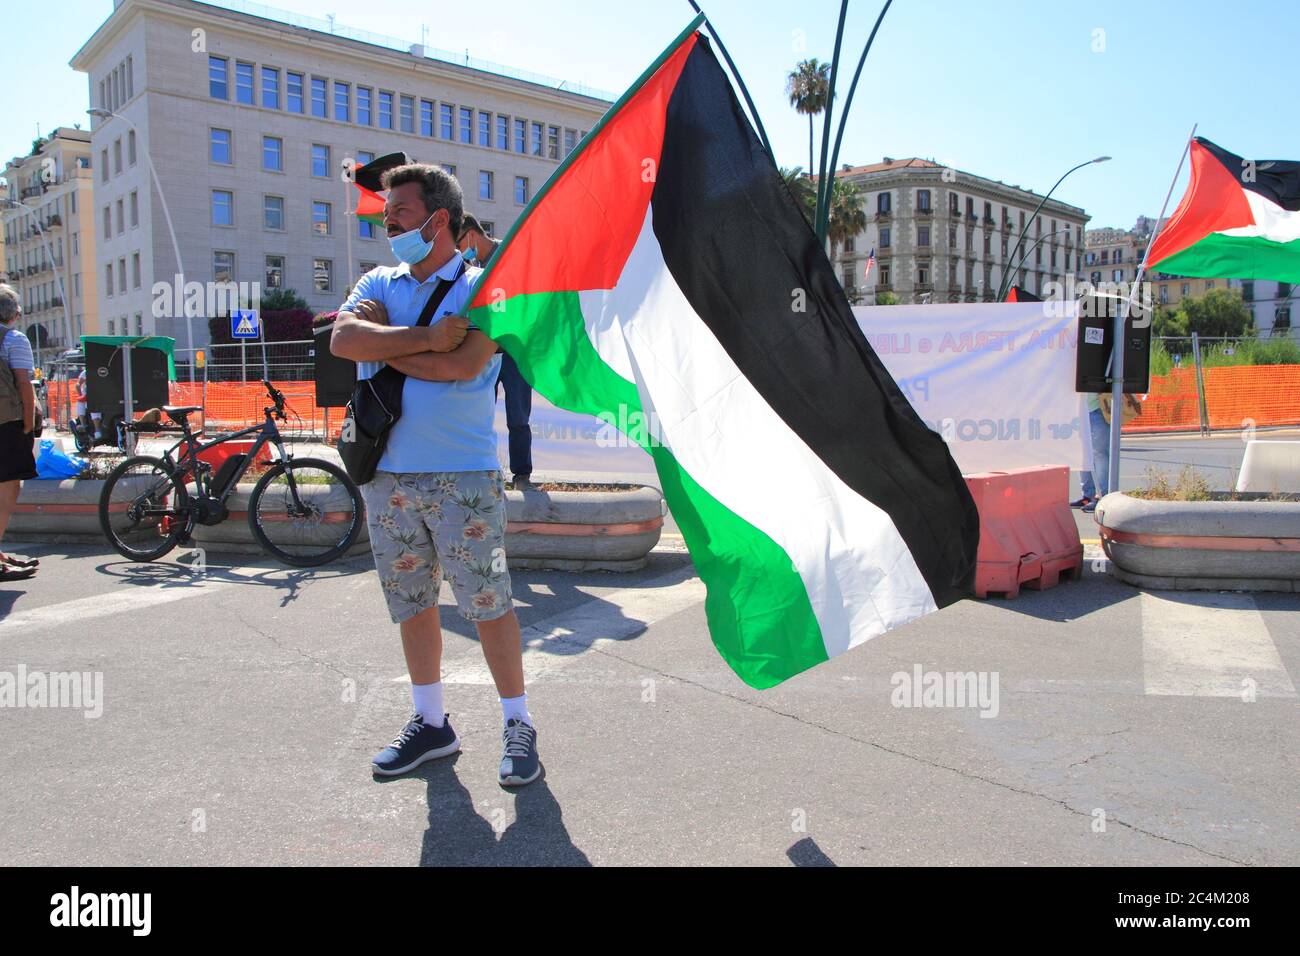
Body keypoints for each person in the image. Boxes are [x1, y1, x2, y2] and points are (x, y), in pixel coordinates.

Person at [331, 165, 539, 786]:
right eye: (387, 211)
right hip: (386, 476)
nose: (386, 220)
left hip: (462, 475)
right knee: (412, 603)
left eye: (396, 210)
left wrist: (385, 344)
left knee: (487, 603)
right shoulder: (378, 279)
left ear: (437, 219)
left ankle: (517, 723)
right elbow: (343, 339)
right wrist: (426, 337)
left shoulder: (488, 289)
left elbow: (464, 366)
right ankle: (431, 724)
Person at [458, 214, 533, 488]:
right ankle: (482, 469)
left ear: (471, 235)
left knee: (518, 416)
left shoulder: (509, 254)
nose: (459, 252)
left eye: (459, 243)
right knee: (479, 414)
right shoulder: (472, 268)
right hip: (483, 354)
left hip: (513, 353)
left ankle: (522, 474)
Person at [0, 284, 40, 581]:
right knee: (8, 489)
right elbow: (24, 385)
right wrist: (29, 423)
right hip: (7, 424)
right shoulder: (13, 339)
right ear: (13, 313)